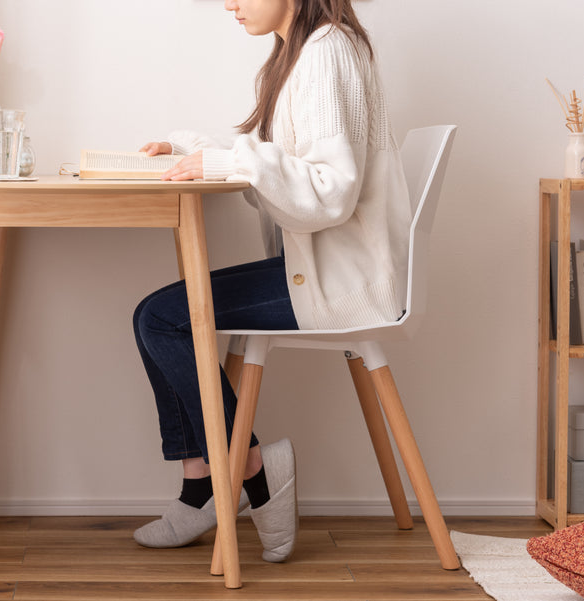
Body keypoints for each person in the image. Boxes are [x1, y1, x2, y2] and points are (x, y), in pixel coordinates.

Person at [132, 0, 410, 563]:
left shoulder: (325, 53)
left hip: (338, 278)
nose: (229, 4)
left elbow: (331, 189)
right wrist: (196, 150)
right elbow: (284, 157)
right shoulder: (305, 51)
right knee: (160, 316)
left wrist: (220, 163)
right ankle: (206, 483)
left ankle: (245, 468)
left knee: (160, 318)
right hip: (326, 266)